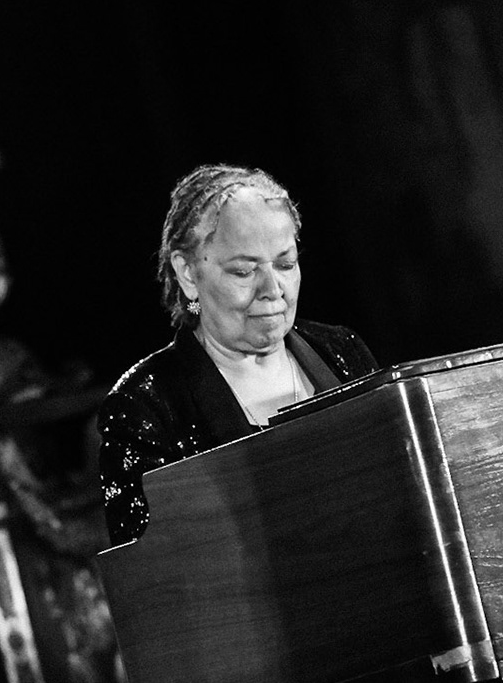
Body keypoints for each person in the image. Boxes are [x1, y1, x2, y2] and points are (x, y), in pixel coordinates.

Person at [98, 165, 378, 547]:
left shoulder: (342, 350)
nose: (272, 289)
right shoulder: (146, 404)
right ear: (188, 274)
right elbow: (154, 570)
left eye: (285, 264)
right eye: (244, 271)